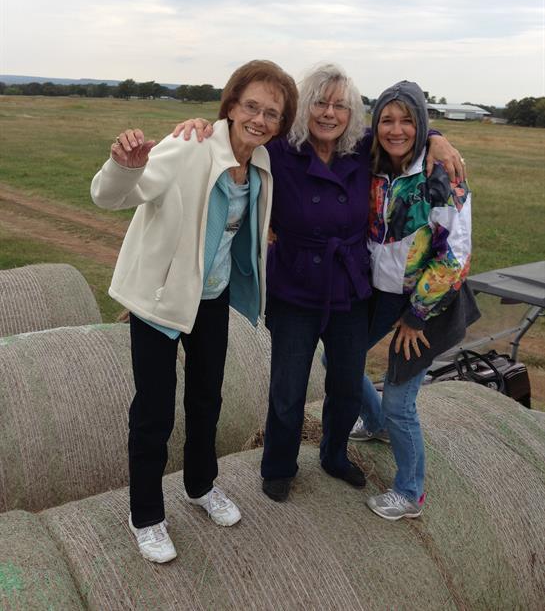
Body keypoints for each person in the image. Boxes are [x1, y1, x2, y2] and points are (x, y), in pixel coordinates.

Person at [173, 64, 465, 504]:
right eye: (320, 103)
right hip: (294, 285)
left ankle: (333, 454)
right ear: (303, 108)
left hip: (349, 287)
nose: (329, 113)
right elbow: (238, 132)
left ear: (351, 114)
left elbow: (401, 129)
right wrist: (201, 125)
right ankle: (278, 465)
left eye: (340, 106)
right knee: (288, 389)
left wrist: (437, 136)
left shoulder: (361, 150)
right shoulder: (280, 150)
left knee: (346, 384)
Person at [91, 60, 298, 563]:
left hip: (212, 298)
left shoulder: (264, 163)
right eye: (251, 106)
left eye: (272, 112)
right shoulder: (188, 144)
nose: (260, 118)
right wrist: (127, 163)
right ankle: (147, 517)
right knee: (154, 413)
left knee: (207, 400)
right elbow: (111, 196)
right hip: (162, 301)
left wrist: (437, 137)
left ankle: (201, 486)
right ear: (231, 104)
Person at [355, 80, 478, 521]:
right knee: (340, 362)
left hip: (429, 304)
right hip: (381, 294)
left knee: (400, 399)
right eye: (387, 119)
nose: (396, 129)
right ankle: (376, 425)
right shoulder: (371, 165)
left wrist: (416, 316)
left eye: (408, 120)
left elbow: (455, 256)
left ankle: (409, 492)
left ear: (422, 124)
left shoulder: (442, 176)